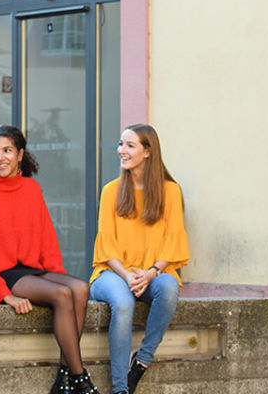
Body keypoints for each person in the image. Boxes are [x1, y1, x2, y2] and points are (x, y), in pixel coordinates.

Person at [0, 125, 99, 394]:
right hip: (3, 273)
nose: (0, 157)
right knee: (62, 295)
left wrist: (55, 271)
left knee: (80, 288)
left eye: (7, 151)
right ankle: (80, 378)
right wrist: (4, 294)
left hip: (30, 268)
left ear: (20, 154)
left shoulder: (31, 188)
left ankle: (65, 378)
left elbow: (46, 237)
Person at [89, 124, 190, 394]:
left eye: (130, 145)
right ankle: (121, 388)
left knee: (169, 289)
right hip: (111, 272)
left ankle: (143, 360)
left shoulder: (170, 191)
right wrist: (128, 275)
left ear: (147, 151)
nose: (121, 150)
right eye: (121, 144)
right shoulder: (111, 191)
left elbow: (172, 239)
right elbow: (106, 244)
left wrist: (150, 273)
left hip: (153, 271)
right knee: (122, 303)